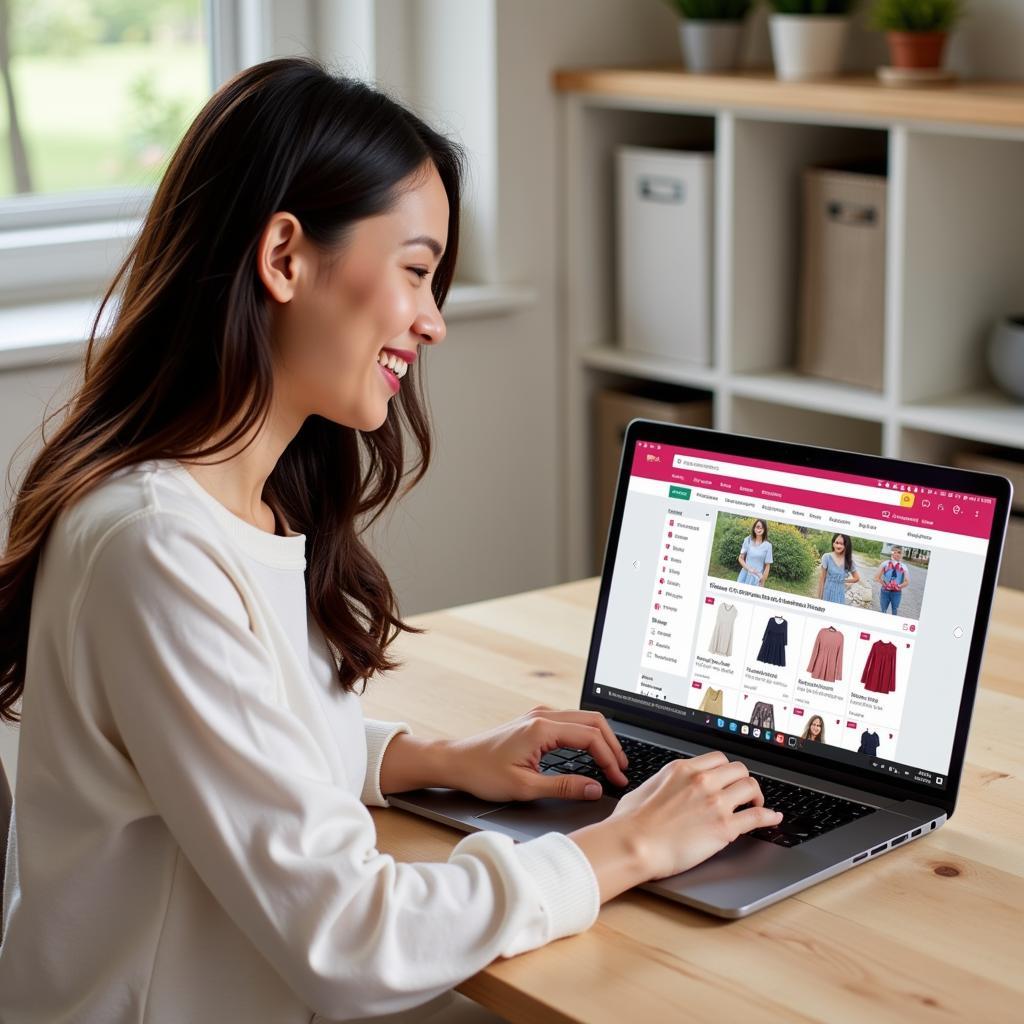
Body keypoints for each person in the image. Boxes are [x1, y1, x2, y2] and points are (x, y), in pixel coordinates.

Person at [0, 58, 783, 1024]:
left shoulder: (227, 505)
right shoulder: (156, 548)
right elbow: (349, 939)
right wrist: (626, 847)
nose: (435, 321)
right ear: (284, 257)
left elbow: (231, 744)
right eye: (416, 269)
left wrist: (433, 759)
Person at [817, 533, 859, 604]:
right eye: (836, 543)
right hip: (827, 593)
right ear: (833, 544)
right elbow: (822, 579)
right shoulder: (827, 557)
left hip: (840, 596)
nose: (838, 546)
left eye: (842, 544)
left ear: (846, 545)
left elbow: (857, 578)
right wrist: (819, 598)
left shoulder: (849, 561)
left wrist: (844, 580)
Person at [875, 544, 910, 615]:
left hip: (896, 593)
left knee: (895, 611)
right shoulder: (885, 564)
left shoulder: (904, 567)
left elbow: (907, 581)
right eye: (895, 552)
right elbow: (877, 577)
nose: (898, 554)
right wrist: (884, 585)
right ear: (892, 552)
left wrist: (899, 586)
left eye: (900, 552)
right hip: (885, 592)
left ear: (902, 554)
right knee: (883, 611)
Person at [737, 518, 773, 587]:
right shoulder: (747, 540)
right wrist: (749, 569)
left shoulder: (768, 546)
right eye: (757, 527)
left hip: (757, 578)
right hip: (745, 574)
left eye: (762, 528)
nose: (759, 529)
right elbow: (741, 558)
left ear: (765, 530)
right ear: (754, 528)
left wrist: (762, 581)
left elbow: (767, 566)